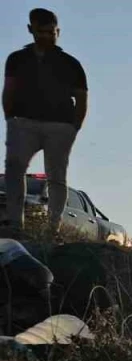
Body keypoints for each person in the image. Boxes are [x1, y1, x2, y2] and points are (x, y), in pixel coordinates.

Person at [4, 8, 88, 238]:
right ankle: (15, 224)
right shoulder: (17, 60)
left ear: (57, 31)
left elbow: (81, 98)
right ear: (30, 30)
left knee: (56, 177)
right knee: (14, 169)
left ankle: (53, 229)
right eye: (42, 32)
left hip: (60, 127)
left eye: (52, 32)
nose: (47, 36)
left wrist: (74, 127)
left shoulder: (70, 64)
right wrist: (10, 119)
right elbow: (8, 91)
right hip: (23, 123)